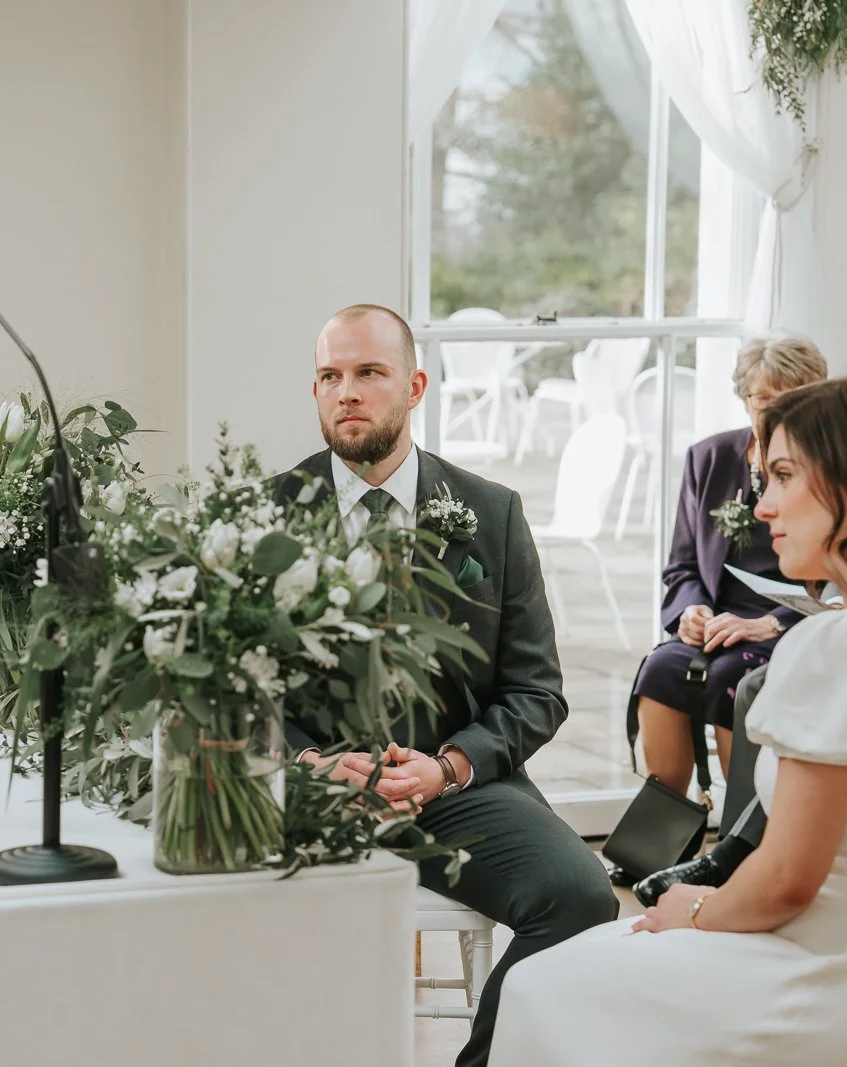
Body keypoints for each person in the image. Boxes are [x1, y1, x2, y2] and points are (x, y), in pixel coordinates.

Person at [489, 367, 847, 1066]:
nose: (762, 507)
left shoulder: (846, 649)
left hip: (826, 989)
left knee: (538, 985)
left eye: (783, 477)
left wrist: (695, 909)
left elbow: (788, 879)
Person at [276, 304, 616, 1067]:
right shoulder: (265, 514)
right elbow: (234, 692)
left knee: (583, 899)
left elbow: (537, 689)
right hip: (307, 790)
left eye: (369, 372)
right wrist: (309, 763)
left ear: (415, 385)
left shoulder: (490, 514)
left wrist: (451, 764)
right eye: (331, 375)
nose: (347, 392)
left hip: (453, 790)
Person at [627, 337, 827, 806]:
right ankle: (663, 832)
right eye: (764, 397)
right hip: (716, 623)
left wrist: (772, 622)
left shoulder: (831, 466)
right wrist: (691, 611)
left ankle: (742, 832)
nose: (777, 409)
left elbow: (843, 575)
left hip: (789, 623)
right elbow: (681, 565)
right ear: (744, 399)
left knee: (729, 679)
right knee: (660, 668)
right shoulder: (710, 458)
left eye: (792, 396)